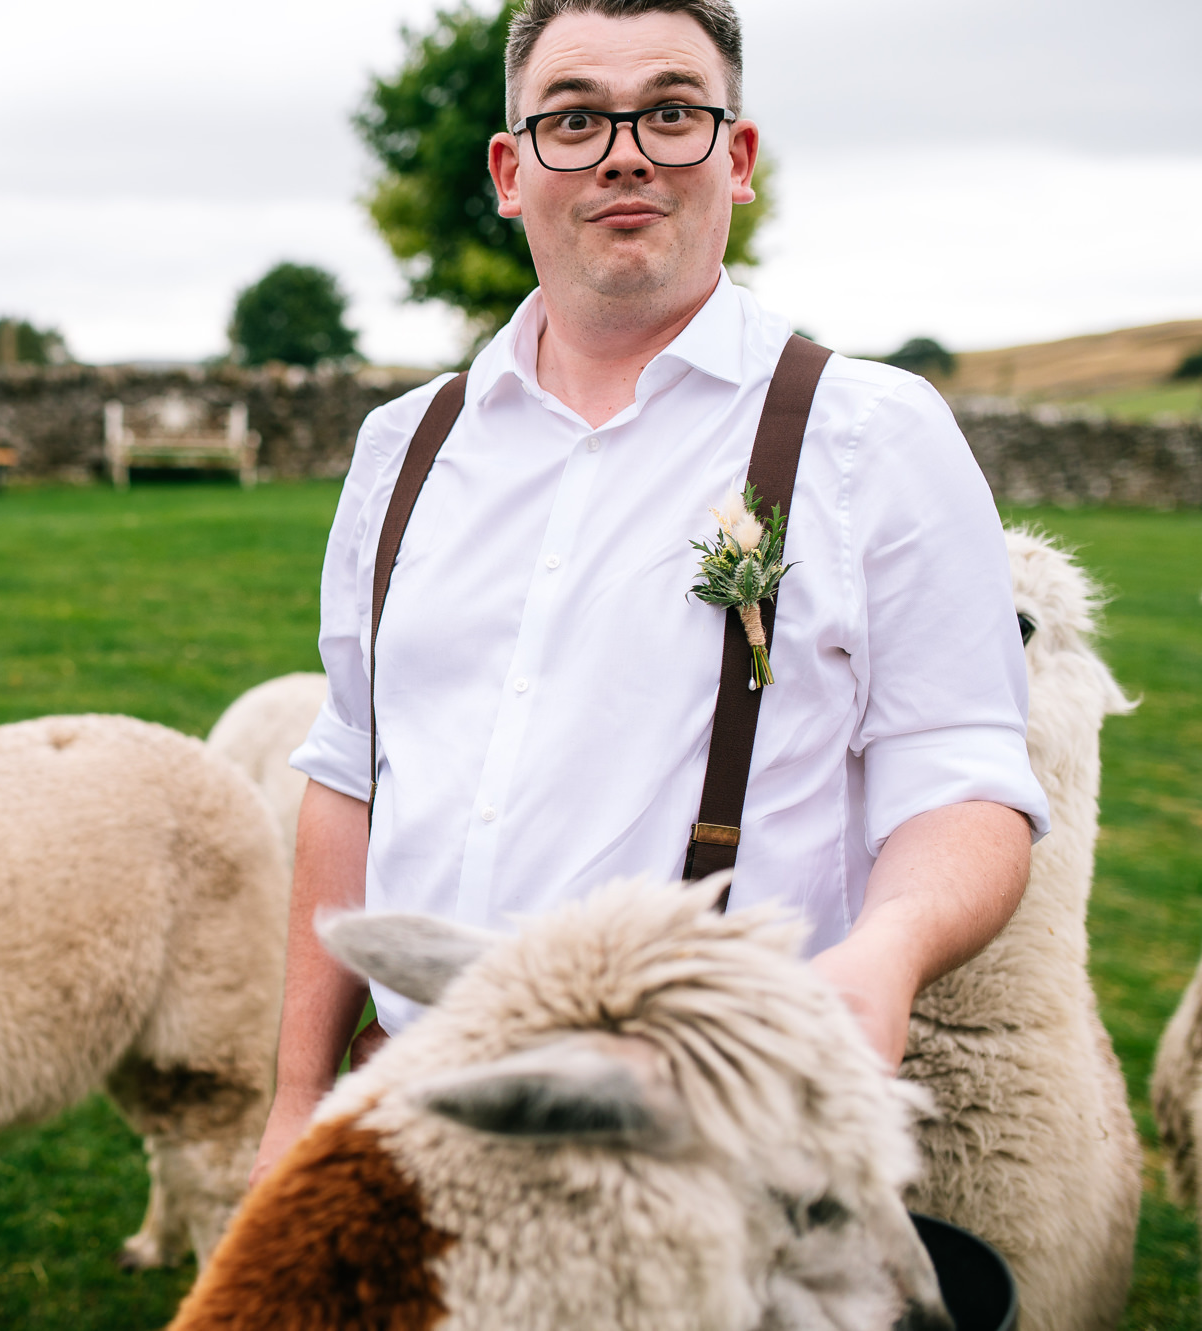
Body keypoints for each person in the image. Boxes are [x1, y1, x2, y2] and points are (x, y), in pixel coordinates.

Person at [253, 0, 1049, 1182]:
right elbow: (350, 775)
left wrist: (885, 952)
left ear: (734, 156)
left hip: (710, 1143)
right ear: (508, 170)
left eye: (670, 110)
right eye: (572, 118)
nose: (623, 150)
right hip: (407, 1119)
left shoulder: (871, 434)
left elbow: (962, 777)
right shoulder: (400, 447)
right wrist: (295, 1098)